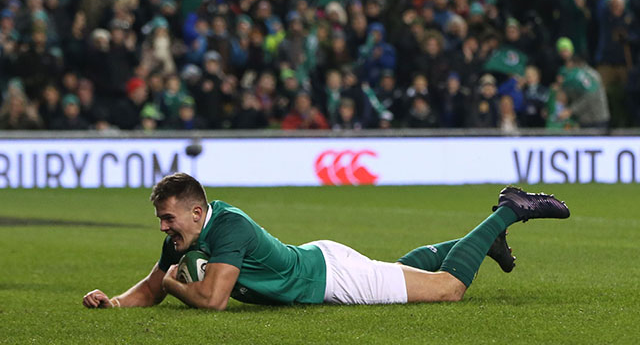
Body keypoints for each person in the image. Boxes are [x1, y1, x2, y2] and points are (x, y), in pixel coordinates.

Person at [83, 173, 570, 310]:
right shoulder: (185, 236)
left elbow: (212, 301)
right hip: (322, 263)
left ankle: (509, 208)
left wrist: (176, 287)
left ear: (196, 211)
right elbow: (152, 283)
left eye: (167, 219)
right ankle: (484, 242)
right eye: (161, 221)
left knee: (447, 289)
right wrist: (116, 303)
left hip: (330, 278)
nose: (163, 228)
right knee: (401, 270)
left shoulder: (226, 226)